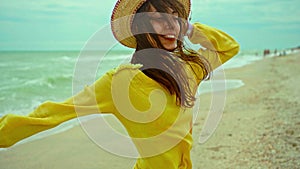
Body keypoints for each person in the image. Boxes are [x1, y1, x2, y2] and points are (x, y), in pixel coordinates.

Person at [0, 0, 239, 168]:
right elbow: (54, 113)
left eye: (175, 19)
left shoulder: (187, 70)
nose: (170, 26)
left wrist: (190, 29)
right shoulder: (120, 83)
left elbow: (229, 47)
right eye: (158, 19)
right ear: (139, 27)